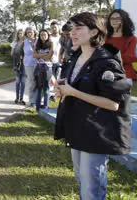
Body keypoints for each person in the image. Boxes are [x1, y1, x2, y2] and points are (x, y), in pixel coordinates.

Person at [54, 12, 132, 200]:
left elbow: (113, 104)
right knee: (82, 180)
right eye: (72, 27)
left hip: (96, 132)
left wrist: (74, 92)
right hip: (77, 128)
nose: (73, 32)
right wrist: (63, 88)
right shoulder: (76, 57)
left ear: (94, 31)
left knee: (91, 188)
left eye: (79, 27)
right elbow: (78, 84)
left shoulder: (107, 62)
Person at [105, 9, 137, 83]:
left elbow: (129, 57)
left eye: (118, 18)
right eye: (112, 18)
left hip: (124, 74)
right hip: (105, 72)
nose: (114, 21)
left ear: (124, 20)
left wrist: (109, 60)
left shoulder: (131, 39)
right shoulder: (104, 37)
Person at [33, 29, 53, 110]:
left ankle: (45, 107)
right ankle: (37, 108)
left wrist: (39, 55)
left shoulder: (51, 44)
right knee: (39, 88)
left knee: (46, 88)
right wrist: (45, 54)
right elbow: (34, 55)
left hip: (48, 67)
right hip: (38, 67)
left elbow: (49, 56)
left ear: (48, 35)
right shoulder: (37, 44)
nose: (43, 36)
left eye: (45, 34)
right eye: (41, 35)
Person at [10, 29, 26, 105]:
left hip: (25, 64)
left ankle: (21, 98)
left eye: (22, 33)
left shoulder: (26, 42)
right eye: (19, 33)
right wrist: (17, 56)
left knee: (23, 82)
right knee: (17, 81)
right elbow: (11, 54)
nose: (20, 35)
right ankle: (16, 98)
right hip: (16, 64)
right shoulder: (15, 43)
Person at [23, 27, 37, 107]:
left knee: (38, 82)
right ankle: (32, 101)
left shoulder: (38, 40)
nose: (29, 34)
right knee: (31, 82)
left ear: (34, 32)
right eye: (28, 32)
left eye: (31, 32)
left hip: (39, 63)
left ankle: (38, 99)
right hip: (29, 64)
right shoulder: (25, 42)